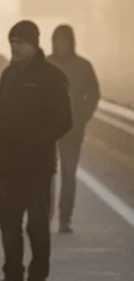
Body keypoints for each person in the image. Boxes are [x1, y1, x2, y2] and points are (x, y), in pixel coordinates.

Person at [0, 20, 73, 281]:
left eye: (20, 42)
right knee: (8, 223)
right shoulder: (9, 74)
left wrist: (34, 141)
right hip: (9, 163)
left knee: (36, 224)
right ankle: (12, 279)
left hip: (37, 163)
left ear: (35, 44)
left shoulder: (51, 77)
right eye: (12, 42)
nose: (15, 47)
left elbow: (63, 120)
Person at [47, 24, 101, 234]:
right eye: (57, 41)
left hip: (73, 129)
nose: (60, 45)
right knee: (46, 175)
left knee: (68, 174)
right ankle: (45, 215)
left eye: (64, 41)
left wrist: (83, 118)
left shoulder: (83, 66)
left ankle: (65, 218)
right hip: (48, 131)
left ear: (71, 42)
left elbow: (94, 94)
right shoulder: (46, 64)